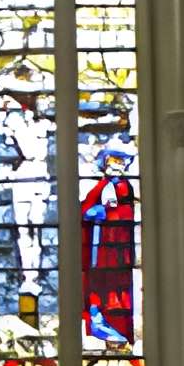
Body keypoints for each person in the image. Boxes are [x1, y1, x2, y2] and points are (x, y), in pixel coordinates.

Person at [81, 146, 135, 343]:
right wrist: (92, 212)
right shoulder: (99, 186)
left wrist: (110, 213)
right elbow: (85, 208)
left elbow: (127, 213)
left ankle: (116, 330)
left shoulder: (126, 188)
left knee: (117, 285)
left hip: (119, 247)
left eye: (120, 163)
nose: (116, 167)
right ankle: (97, 320)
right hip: (100, 245)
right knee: (98, 282)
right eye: (113, 162)